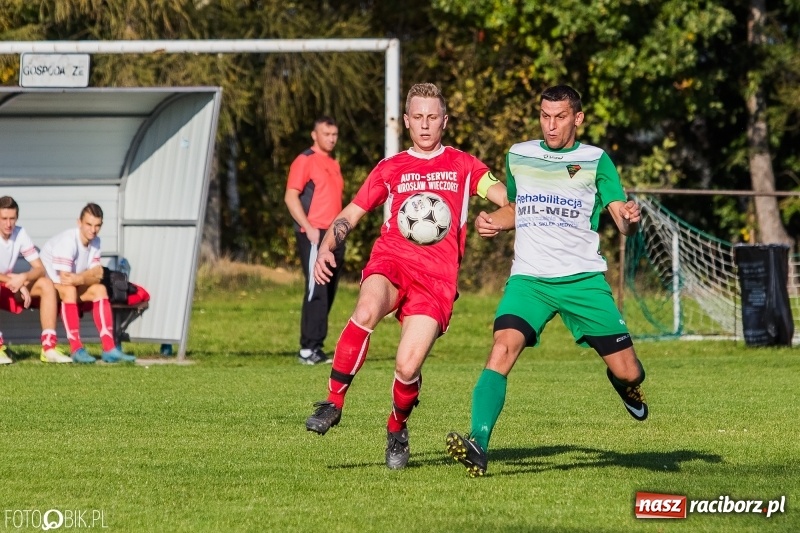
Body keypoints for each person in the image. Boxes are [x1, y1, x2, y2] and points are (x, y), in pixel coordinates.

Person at [445, 84, 648, 477]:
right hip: (530, 279)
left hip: (582, 280)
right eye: (544, 116)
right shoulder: (519, 154)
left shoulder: (596, 160)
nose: (550, 125)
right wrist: (495, 223)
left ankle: (626, 387)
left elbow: (620, 217)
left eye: (559, 117)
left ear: (578, 118)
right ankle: (478, 443)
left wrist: (629, 219)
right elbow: (517, 208)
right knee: (502, 350)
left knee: (629, 370)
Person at [304, 82, 508, 470]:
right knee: (365, 310)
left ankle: (397, 429)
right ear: (407, 122)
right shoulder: (390, 168)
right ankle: (333, 401)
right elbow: (350, 214)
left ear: (444, 121)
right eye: (418, 117)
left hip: (437, 279)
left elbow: (505, 197)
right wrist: (326, 246)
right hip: (392, 260)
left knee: (407, 367)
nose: (426, 125)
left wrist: (498, 219)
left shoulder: (465, 166)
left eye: (433, 117)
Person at [39, 203, 136, 364]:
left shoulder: (96, 241)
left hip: (70, 284)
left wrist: (81, 278)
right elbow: (66, 278)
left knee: (100, 289)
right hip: (48, 286)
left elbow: (97, 276)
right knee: (70, 290)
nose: (93, 230)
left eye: (97, 225)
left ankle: (109, 349)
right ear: (79, 222)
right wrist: (85, 277)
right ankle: (76, 348)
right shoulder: (68, 241)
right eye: (89, 224)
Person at [284, 116, 345, 365]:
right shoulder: (305, 160)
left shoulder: (333, 162)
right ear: (314, 135)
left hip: (334, 235)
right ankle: (308, 349)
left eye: (334, 134)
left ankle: (316, 346)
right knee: (316, 290)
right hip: (314, 235)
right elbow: (290, 197)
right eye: (326, 134)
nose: (330, 139)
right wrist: (307, 227)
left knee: (329, 291)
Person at [0, 196, 73, 364]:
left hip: (9, 287)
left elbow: (40, 268)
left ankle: (49, 348)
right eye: (4, 218)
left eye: (12, 218)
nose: (8, 224)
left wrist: (23, 278)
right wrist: (14, 282)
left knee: (46, 284)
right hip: (7, 284)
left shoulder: (20, 233)